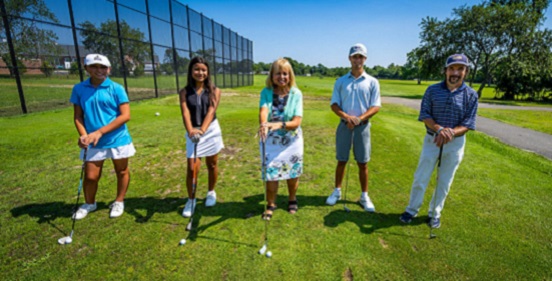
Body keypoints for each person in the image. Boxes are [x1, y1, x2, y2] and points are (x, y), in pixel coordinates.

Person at [399, 53, 478, 228]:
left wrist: (450, 133)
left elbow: (468, 123)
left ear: (466, 72)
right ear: (445, 71)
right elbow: (425, 114)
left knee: (444, 181)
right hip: (432, 140)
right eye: (452, 68)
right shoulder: (432, 90)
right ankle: (411, 210)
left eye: (460, 69)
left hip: (455, 144)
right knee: (421, 177)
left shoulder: (471, 95)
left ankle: (434, 213)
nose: (455, 73)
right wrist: (440, 129)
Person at [70, 53, 136, 220]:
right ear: (86, 68)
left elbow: (125, 116)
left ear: (109, 69)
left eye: (103, 67)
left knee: (121, 171)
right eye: (94, 66)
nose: (98, 70)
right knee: (91, 176)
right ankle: (89, 203)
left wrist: (99, 132)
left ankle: (119, 201)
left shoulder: (117, 88)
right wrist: (84, 135)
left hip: (117, 138)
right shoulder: (79, 89)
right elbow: (78, 116)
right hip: (93, 140)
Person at [326, 43, 381, 212]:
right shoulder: (341, 81)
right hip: (344, 126)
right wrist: (347, 117)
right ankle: (337, 191)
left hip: (362, 127)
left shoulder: (372, 81)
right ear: (349, 58)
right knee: (341, 160)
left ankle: (364, 196)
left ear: (365, 59)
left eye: (361, 57)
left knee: (362, 163)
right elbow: (334, 104)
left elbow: (375, 106)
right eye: (355, 56)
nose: (358, 60)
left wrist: (358, 119)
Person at [258, 58, 303, 220]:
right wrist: (264, 123)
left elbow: (297, 122)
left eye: (285, 74)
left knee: (292, 172)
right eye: (278, 73)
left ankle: (292, 198)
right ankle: (271, 204)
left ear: (290, 76)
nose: (282, 77)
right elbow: (263, 110)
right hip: (271, 140)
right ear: (272, 75)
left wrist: (278, 125)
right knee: (271, 172)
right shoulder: (266, 92)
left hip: (292, 140)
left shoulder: (296, 94)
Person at [179, 56, 224, 218]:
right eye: (197, 69)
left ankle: (211, 192)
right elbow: (185, 112)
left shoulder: (215, 90)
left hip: (210, 130)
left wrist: (202, 130)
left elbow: (211, 111)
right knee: (192, 168)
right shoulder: (184, 92)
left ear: (208, 72)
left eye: (203, 70)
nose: (200, 72)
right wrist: (191, 130)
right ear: (191, 71)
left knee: (212, 164)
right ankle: (191, 200)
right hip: (192, 131)